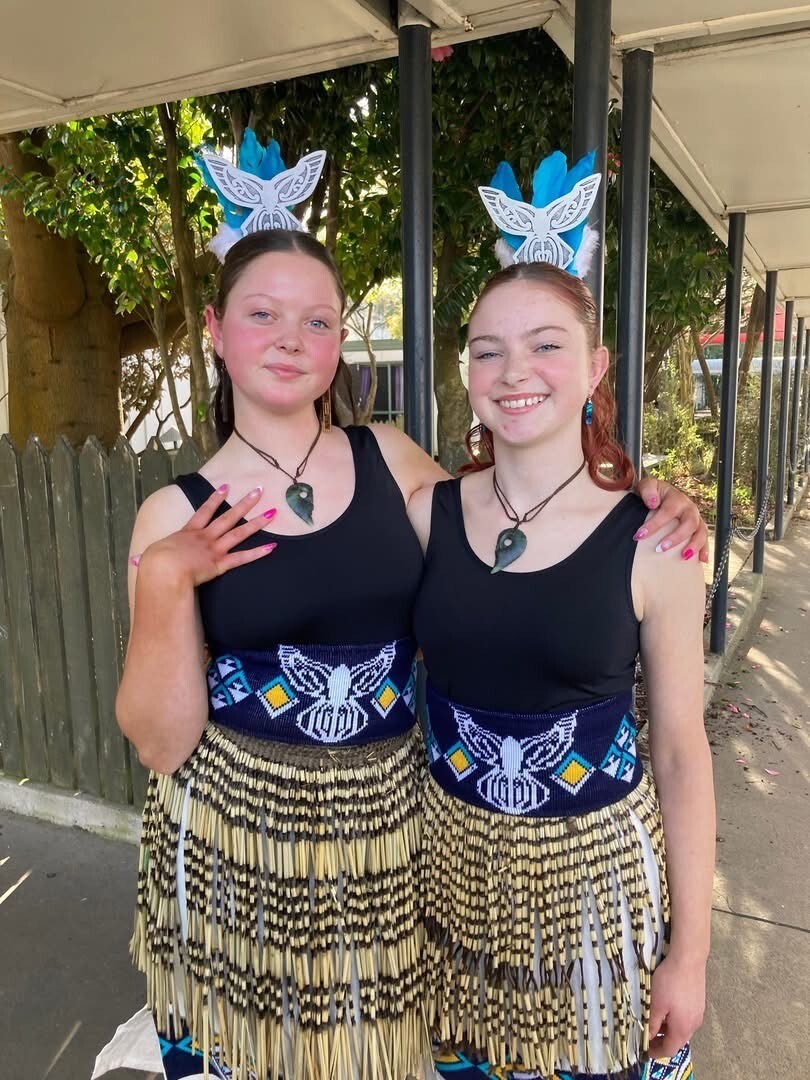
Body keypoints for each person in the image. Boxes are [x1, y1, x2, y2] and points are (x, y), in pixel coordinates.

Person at [97, 187, 708, 1078]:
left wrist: (653, 496)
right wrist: (163, 580)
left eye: (315, 320)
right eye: (262, 314)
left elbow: (523, 519)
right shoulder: (170, 515)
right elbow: (160, 742)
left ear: (338, 339)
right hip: (238, 849)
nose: (289, 339)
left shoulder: (393, 467)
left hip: (396, 852)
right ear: (216, 332)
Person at [409, 260, 714, 1080]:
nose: (513, 373)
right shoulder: (426, 514)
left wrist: (692, 955)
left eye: (546, 345)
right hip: (452, 890)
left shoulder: (657, 542)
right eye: (486, 350)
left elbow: (682, 752)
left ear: (595, 367)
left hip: (598, 900)